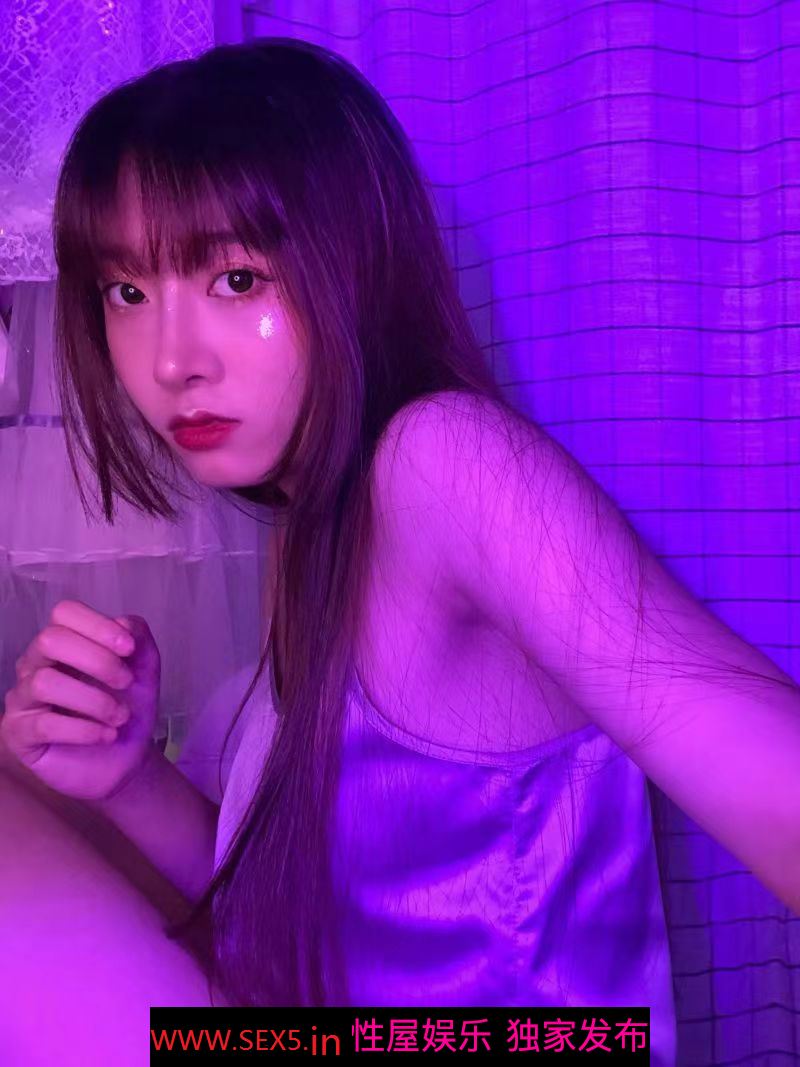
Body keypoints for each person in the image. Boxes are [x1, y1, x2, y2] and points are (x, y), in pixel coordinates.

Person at [1, 36, 799, 1067]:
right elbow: (296, 921)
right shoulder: (317, 529)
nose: (171, 361)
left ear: (354, 266)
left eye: (236, 278)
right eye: (127, 292)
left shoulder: (439, 461)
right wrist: (126, 778)